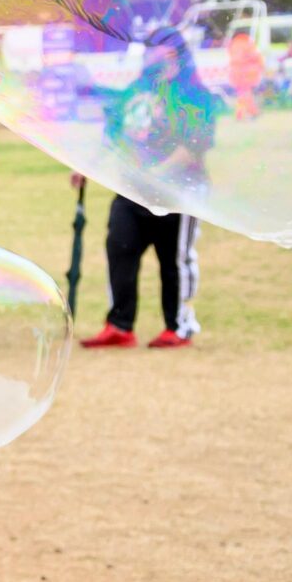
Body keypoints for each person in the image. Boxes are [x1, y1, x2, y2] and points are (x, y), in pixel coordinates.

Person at [82, 32, 215, 350]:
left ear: (175, 54)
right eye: (150, 50)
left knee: (175, 261)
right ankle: (119, 324)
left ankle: (178, 326)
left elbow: (192, 147)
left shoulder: (195, 94)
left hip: (179, 193)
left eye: (160, 50)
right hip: (131, 192)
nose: (152, 56)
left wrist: (155, 175)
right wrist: (87, 167)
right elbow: (113, 134)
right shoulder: (136, 90)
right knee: (120, 250)